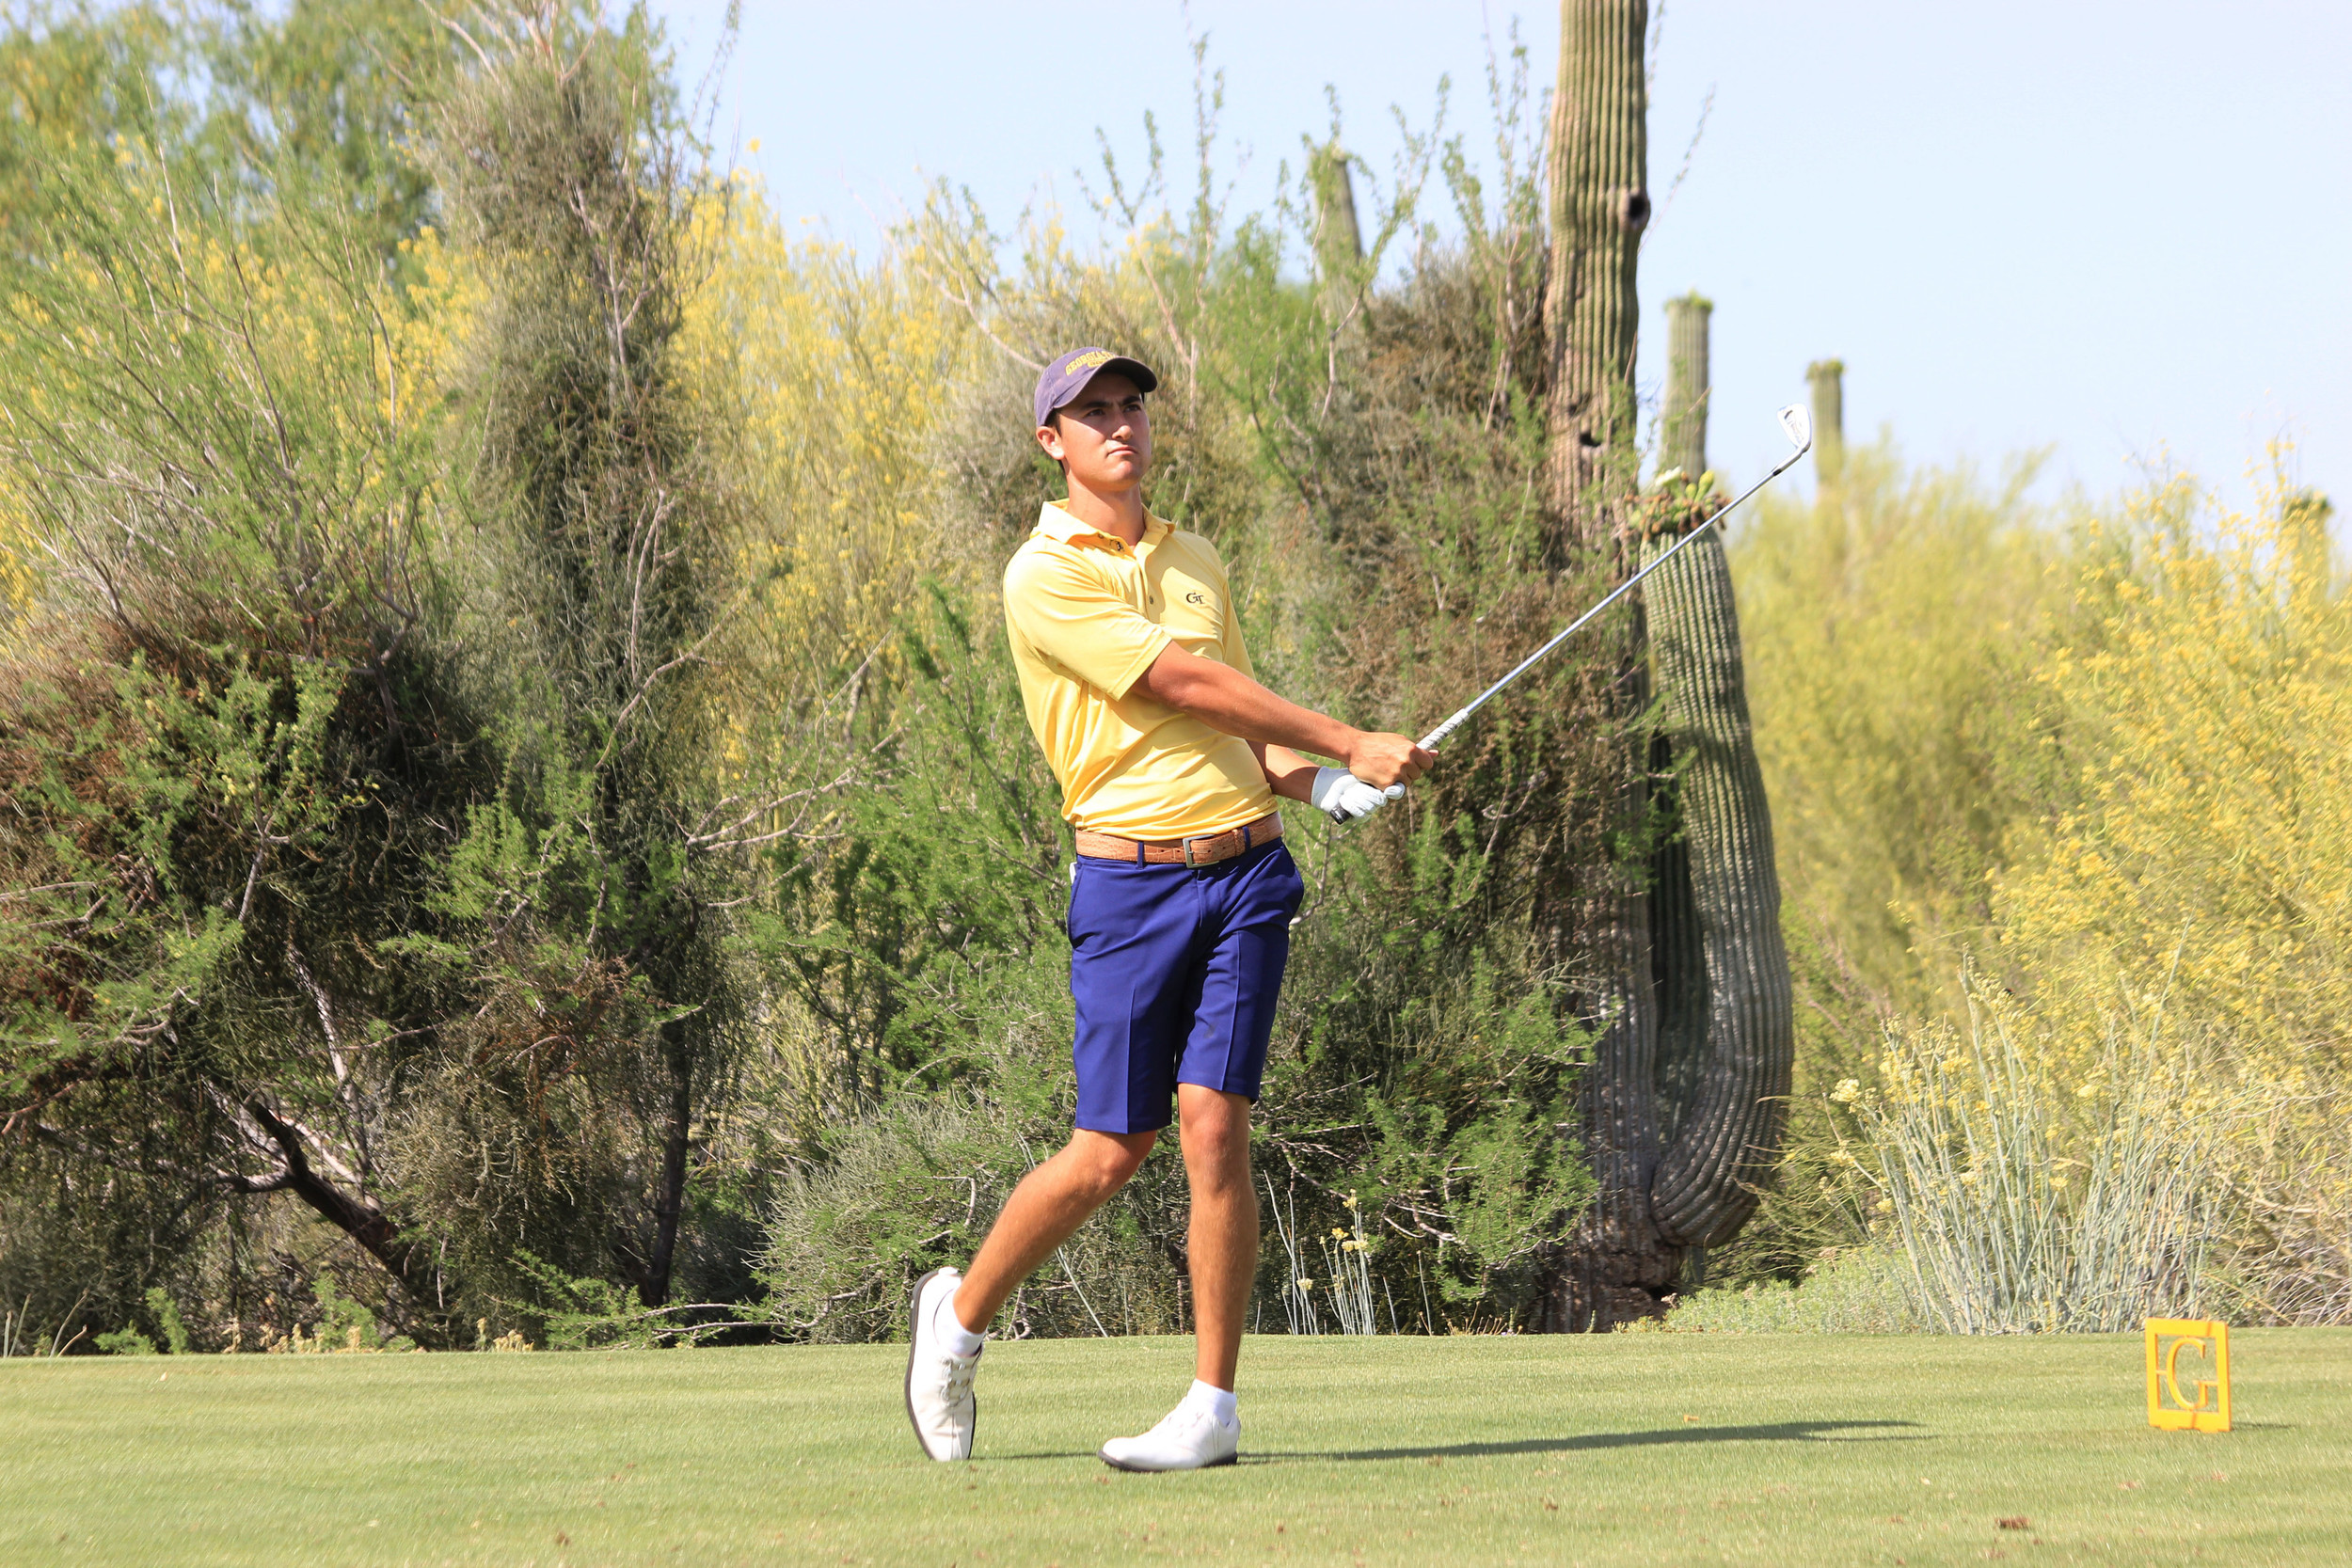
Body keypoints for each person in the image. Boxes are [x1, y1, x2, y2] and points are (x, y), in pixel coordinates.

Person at [903, 347, 1434, 1471]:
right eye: (1090, 412)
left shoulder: (1195, 558)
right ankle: (956, 1322)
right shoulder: (1042, 575)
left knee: (1215, 1123)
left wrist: (1318, 778)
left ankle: (1211, 1407)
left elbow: (1235, 723)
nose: (1118, 425)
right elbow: (1177, 684)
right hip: (1131, 883)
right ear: (1050, 440)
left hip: (1246, 873)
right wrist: (1347, 735)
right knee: (1109, 1149)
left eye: (1130, 405)